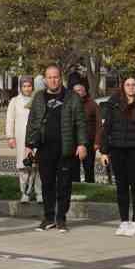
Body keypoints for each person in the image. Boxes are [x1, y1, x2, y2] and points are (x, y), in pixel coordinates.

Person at [25, 65, 88, 232]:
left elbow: (81, 123)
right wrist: (29, 145)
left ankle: (61, 218)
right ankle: (48, 218)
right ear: (45, 80)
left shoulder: (72, 97)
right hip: (44, 148)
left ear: (61, 78)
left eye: (56, 77)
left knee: (64, 185)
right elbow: (32, 122)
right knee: (47, 184)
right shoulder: (39, 97)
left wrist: (82, 144)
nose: (53, 80)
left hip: (66, 148)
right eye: (50, 77)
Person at [97, 75, 135, 237]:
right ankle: (124, 221)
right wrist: (104, 151)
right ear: (123, 86)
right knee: (121, 187)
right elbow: (107, 128)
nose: (131, 87)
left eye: (134, 84)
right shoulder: (114, 103)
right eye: (128, 84)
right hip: (117, 150)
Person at [4, 78, 37, 203]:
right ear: (20, 87)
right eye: (24, 86)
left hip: (35, 137)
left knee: (35, 165)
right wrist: (10, 137)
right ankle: (24, 192)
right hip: (21, 137)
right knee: (23, 165)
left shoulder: (37, 99)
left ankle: (36, 191)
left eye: (29, 86)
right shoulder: (15, 101)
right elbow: (10, 119)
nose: (27, 88)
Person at [71, 78, 100, 183]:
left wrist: (97, 141)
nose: (77, 93)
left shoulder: (92, 104)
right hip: (73, 142)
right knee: (73, 169)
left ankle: (90, 187)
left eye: (79, 90)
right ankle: (75, 187)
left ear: (85, 91)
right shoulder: (70, 104)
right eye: (75, 91)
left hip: (89, 142)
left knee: (89, 169)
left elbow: (99, 124)